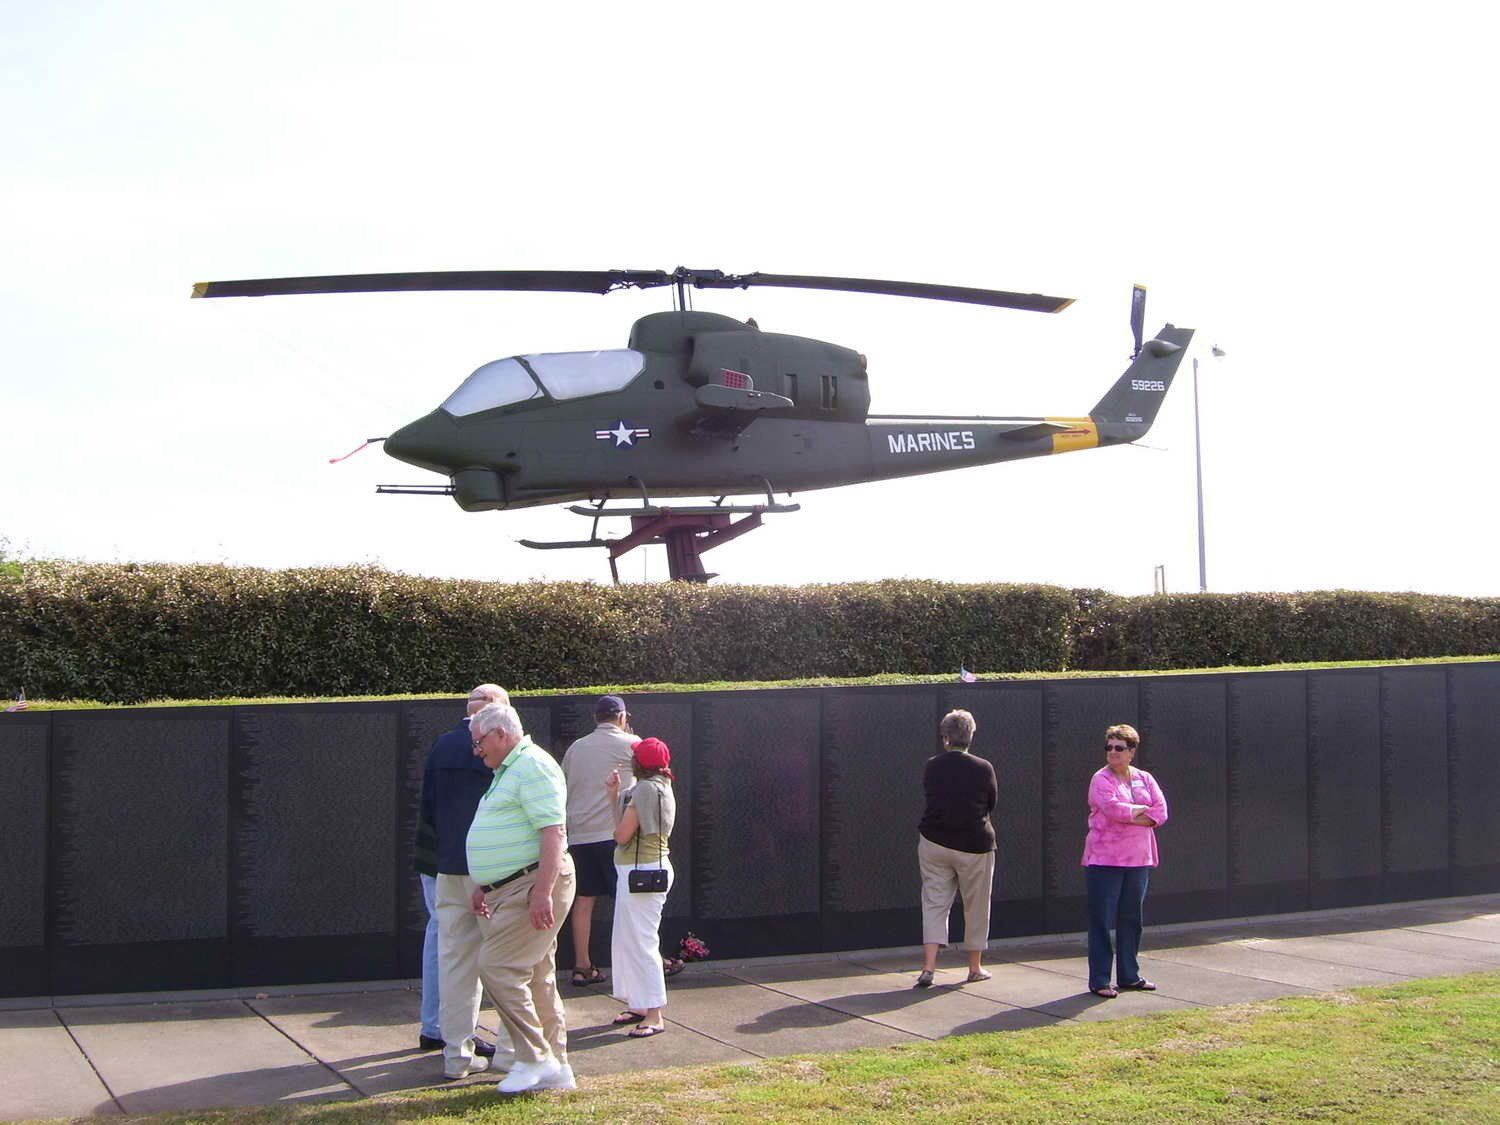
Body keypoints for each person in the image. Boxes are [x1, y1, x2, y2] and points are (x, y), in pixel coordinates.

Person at [467, 702, 578, 1094]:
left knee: (496, 966)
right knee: (537, 978)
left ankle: (535, 1057)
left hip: (532, 887)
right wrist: (486, 884)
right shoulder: (509, 769)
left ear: (501, 734)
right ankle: (558, 1069)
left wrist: (542, 893)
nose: (477, 750)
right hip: (514, 888)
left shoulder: (531, 766)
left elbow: (553, 833)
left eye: (480, 742)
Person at [419, 683, 512, 1078]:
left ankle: (441, 1035)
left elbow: (431, 805)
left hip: (441, 863)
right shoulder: (497, 754)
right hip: (484, 869)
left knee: (448, 952)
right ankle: (503, 1049)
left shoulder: (441, 746)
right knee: (503, 958)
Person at [1082, 723, 1169, 999]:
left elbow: (1162, 810)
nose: (1112, 752)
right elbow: (1112, 809)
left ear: (1131, 751)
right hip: (1104, 860)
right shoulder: (1100, 779)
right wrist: (1142, 814)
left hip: (1138, 860)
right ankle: (1099, 980)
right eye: (1109, 747)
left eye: (1119, 748)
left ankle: (1130, 976)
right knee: (1101, 920)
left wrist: (1138, 815)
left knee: (1131, 919)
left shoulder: (1145, 778)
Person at [914, 709, 997, 988]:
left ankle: (928, 967)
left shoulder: (932, 765)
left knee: (934, 902)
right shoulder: (983, 767)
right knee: (976, 906)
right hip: (975, 844)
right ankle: (974, 967)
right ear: (970, 735)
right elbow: (991, 803)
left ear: (945, 738)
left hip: (934, 841)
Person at [560, 695, 638, 986]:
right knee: (628, 902)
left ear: (596, 718)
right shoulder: (631, 744)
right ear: (622, 717)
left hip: (579, 834)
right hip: (613, 833)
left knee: (583, 899)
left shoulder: (576, 748)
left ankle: (582, 966)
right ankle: (643, 962)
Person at [604, 736, 676, 1037]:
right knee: (628, 939)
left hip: (642, 872)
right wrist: (614, 796)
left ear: (640, 764)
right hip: (642, 870)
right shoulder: (659, 785)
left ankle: (654, 1013)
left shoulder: (646, 790)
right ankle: (640, 1004)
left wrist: (615, 798)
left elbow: (621, 835)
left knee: (642, 942)